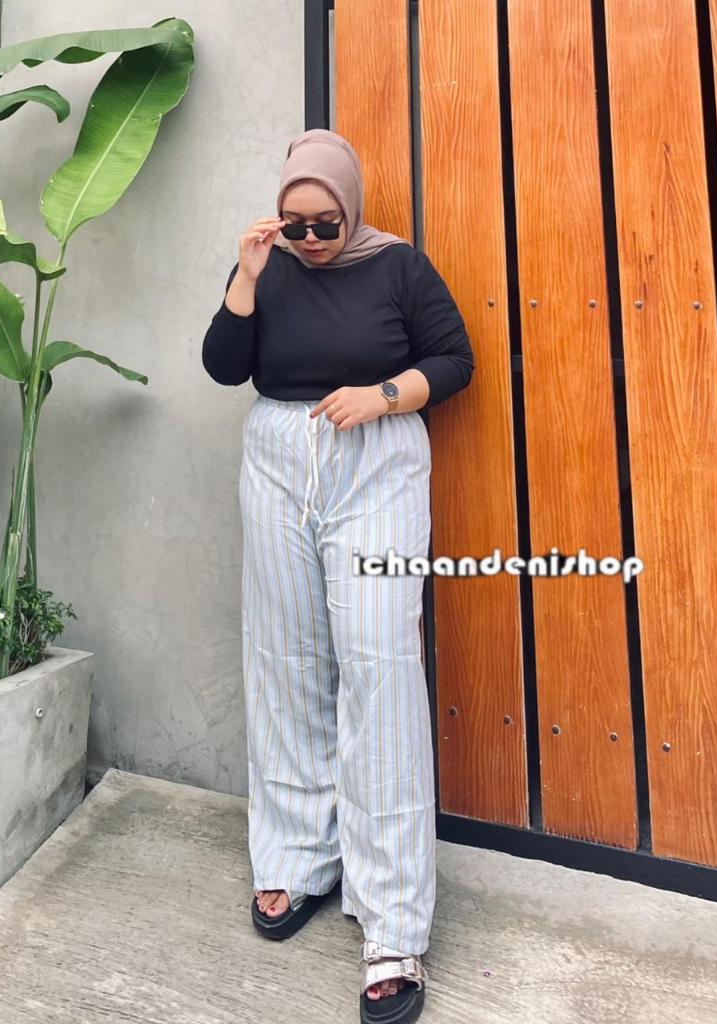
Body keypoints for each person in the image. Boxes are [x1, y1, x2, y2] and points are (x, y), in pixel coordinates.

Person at [201, 128, 474, 1024]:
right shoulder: (269, 265)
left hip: (376, 462)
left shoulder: (398, 266)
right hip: (279, 459)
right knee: (283, 661)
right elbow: (223, 367)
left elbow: (455, 360)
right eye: (297, 224)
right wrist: (247, 277)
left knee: (378, 665)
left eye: (326, 223)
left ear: (350, 208)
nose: (312, 239)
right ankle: (297, 859)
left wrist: (383, 395)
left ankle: (393, 922)